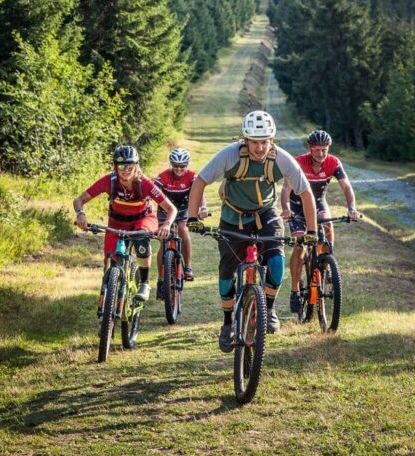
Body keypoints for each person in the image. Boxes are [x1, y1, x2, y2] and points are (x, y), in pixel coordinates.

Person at [187, 110, 318, 353]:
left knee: (276, 262)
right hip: (232, 217)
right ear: (245, 140)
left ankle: (268, 308)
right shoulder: (230, 155)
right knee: (227, 272)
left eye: (264, 141)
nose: (259, 148)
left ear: (272, 140)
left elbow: (305, 192)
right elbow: (200, 181)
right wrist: (193, 217)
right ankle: (227, 323)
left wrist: (312, 230)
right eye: (254, 142)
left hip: (266, 214)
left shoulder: (281, 159)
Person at [73, 145, 177, 302]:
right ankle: (108, 293)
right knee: (109, 259)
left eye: (130, 166)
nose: (125, 170)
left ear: (136, 166)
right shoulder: (109, 181)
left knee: (141, 238)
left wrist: (166, 225)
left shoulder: (145, 183)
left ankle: (144, 283)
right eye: (122, 166)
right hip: (116, 222)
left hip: (143, 219)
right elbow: (79, 200)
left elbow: (171, 209)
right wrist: (81, 214)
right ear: (115, 167)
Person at [281, 129, 361, 313]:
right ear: (310, 148)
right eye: (317, 150)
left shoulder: (333, 162)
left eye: (324, 149)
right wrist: (285, 209)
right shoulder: (299, 162)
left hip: (318, 203)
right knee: (300, 246)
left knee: (328, 225)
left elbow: (346, 186)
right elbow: (285, 189)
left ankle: (325, 263)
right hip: (297, 207)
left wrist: (352, 208)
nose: (321, 153)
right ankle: (295, 290)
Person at [153, 147, 204, 297]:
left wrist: (203, 207)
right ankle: (162, 279)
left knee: (183, 229)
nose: (179, 169)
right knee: (164, 240)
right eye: (175, 165)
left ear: (187, 165)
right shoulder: (162, 177)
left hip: (182, 210)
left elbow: (199, 193)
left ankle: (187, 267)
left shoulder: (192, 177)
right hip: (165, 211)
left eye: (182, 166)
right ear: (171, 164)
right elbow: (152, 193)